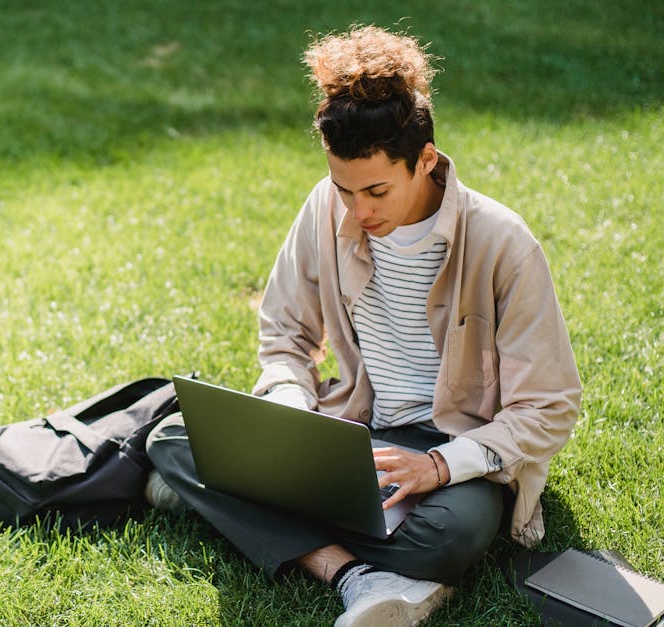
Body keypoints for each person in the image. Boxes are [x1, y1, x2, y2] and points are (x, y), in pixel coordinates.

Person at [143, 24, 582, 626]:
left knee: (449, 537)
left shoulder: (504, 244)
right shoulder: (325, 206)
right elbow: (285, 335)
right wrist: (293, 405)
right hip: (353, 431)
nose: (359, 210)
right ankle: (357, 576)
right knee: (173, 438)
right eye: (344, 189)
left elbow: (549, 406)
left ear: (425, 160)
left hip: (454, 450)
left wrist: (438, 467)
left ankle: (235, 505)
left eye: (376, 190)